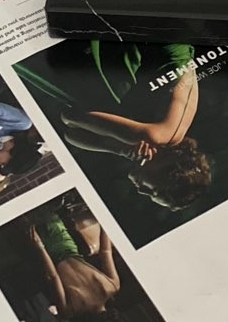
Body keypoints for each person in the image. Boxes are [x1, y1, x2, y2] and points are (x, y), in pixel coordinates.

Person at [15, 43, 212, 211]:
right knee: (98, 97)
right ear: (170, 174)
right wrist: (120, 144)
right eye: (153, 191)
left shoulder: (161, 138)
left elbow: (71, 134)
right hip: (156, 38)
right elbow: (70, 117)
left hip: (156, 42)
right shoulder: (153, 136)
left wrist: (120, 149)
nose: (141, 191)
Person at [29, 212, 120, 318]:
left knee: (46, 213)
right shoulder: (69, 311)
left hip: (66, 245)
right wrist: (39, 245)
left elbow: (105, 251)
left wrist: (105, 222)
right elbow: (53, 276)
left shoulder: (113, 286)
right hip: (46, 255)